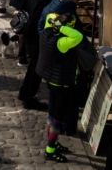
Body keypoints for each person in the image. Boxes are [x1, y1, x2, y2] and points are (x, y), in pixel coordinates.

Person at [36, 10, 83, 163]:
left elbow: (50, 16)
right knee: (58, 118)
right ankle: (50, 149)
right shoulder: (62, 43)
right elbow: (79, 36)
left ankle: (53, 142)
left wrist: (57, 25)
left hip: (51, 80)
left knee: (52, 113)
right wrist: (62, 28)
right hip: (62, 83)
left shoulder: (46, 32)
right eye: (71, 26)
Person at [18, 0, 65, 111]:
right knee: (37, 68)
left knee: (33, 65)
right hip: (35, 35)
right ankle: (28, 98)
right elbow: (42, 19)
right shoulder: (47, 0)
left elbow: (24, 6)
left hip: (27, 32)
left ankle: (24, 92)